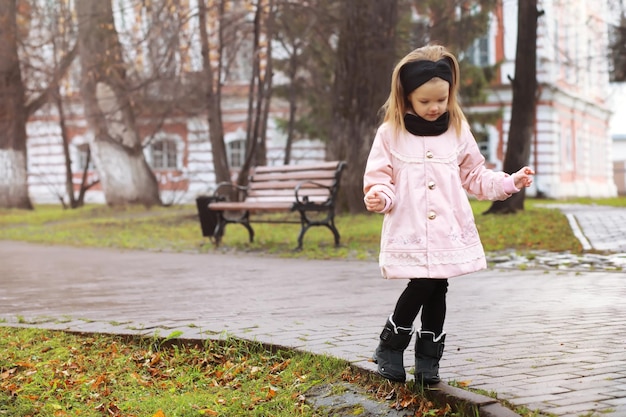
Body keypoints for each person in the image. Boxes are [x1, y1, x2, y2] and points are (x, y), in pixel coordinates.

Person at [363, 44, 534, 385]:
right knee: (425, 283)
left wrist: (510, 182)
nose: (434, 107)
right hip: (409, 225)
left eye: (441, 99)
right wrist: (379, 195)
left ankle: (426, 361)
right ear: (407, 96)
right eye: (425, 101)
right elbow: (380, 177)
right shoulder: (391, 134)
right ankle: (391, 347)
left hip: (446, 227)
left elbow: (475, 175)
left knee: (437, 286)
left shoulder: (457, 130)